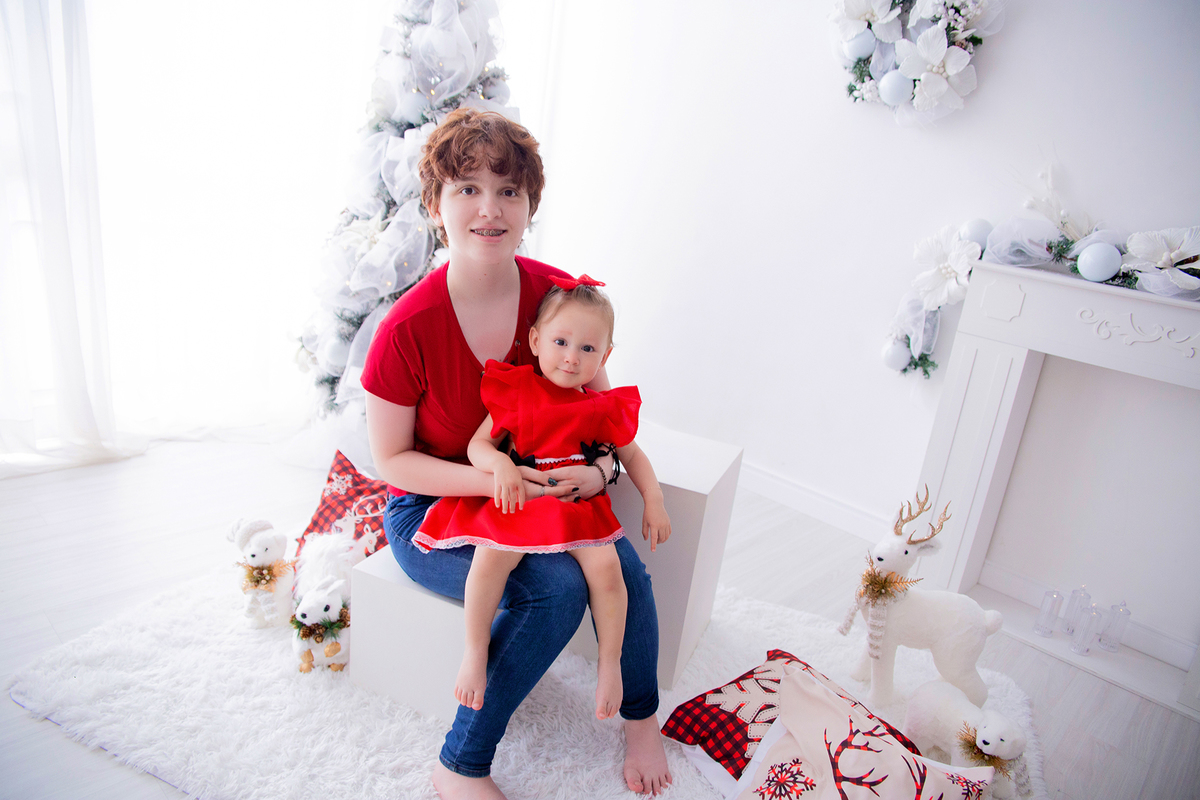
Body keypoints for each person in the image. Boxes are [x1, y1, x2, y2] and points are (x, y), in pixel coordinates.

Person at [361, 107, 673, 799]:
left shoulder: (560, 299)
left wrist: (601, 471)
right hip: (435, 509)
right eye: (467, 189)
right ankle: (460, 763)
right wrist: (497, 477)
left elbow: (604, 423)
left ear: (530, 203)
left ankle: (641, 717)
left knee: (626, 567)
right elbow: (393, 464)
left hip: (549, 494)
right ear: (436, 205)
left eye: (508, 190)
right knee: (554, 592)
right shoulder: (406, 329)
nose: (489, 208)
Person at [412, 276, 672, 723]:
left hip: (575, 507)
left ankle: (610, 666)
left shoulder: (598, 405)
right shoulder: (517, 391)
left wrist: (654, 499)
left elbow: (633, 455)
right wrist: (501, 467)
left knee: (609, 572)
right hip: (524, 498)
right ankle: (475, 651)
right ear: (535, 340)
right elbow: (479, 447)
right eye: (561, 342)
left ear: (605, 357)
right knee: (491, 559)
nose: (572, 357)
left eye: (588, 350)